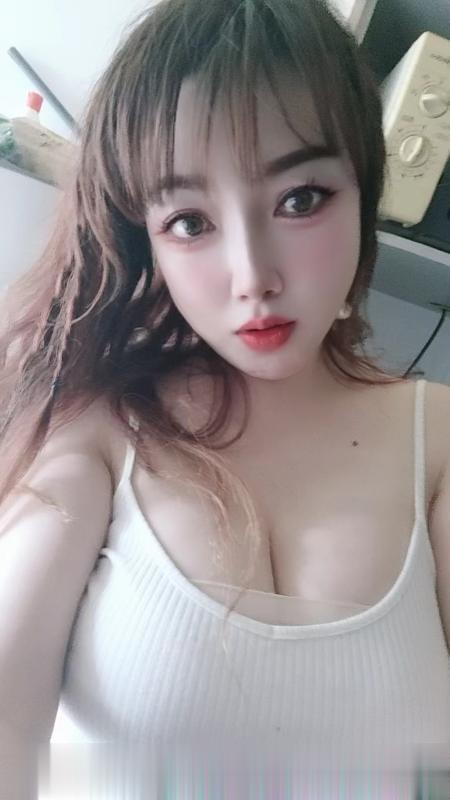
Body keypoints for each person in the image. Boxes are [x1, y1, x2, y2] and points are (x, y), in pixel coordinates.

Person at [0, 0, 448, 795]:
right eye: (189, 221)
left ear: (363, 188)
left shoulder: (437, 439)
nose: (253, 276)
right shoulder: (99, 429)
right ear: (145, 241)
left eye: (300, 199)